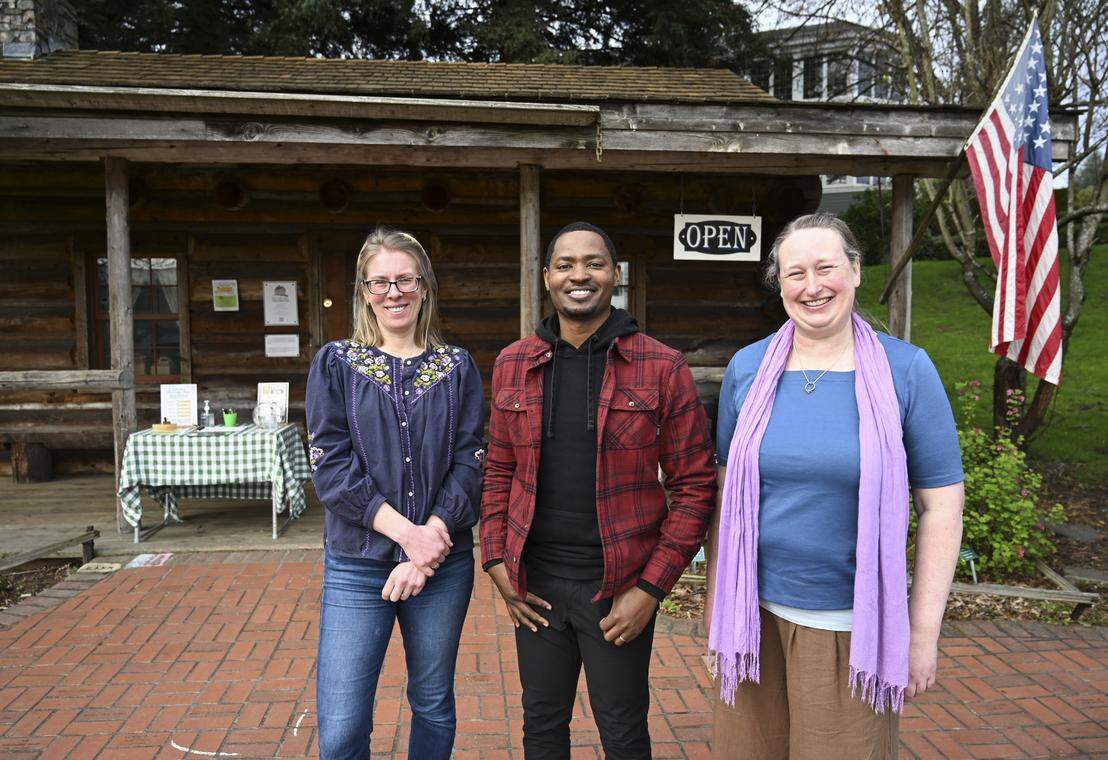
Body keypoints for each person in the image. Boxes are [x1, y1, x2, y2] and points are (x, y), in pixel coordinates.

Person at [706, 213, 965, 759]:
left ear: (855, 271)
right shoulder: (747, 369)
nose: (812, 286)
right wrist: (716, 609)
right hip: (751, 621)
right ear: (779, 284)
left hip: (850, 627)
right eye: (794, 273)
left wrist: (921, 633)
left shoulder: (906, 371)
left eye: (826, 267)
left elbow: (941, 506)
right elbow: (727, 499)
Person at [480, 221, 716, 758]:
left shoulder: (661, 366)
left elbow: (695, 487)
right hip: (535, 584)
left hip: (619, 588)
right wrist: (496, 560)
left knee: (623, 730)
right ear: (547, 277)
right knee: (541, 725)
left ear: (615, 275)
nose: (579, 275)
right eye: (565, 265)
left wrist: (651, 591)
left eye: (594, 263)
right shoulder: (514, 363)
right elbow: (496, 472)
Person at [305, 228, 485, 760]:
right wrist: (408, 535)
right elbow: (330, 468)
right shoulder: (336, 364)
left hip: (441, 567)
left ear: (424, 286)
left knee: (431, 703)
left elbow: (472, 459)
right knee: (341, 723)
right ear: (364, 291)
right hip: (358, 565)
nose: (394, 292)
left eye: (405, 279)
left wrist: (429, 541)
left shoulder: (456, 367)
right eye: (380, 281)